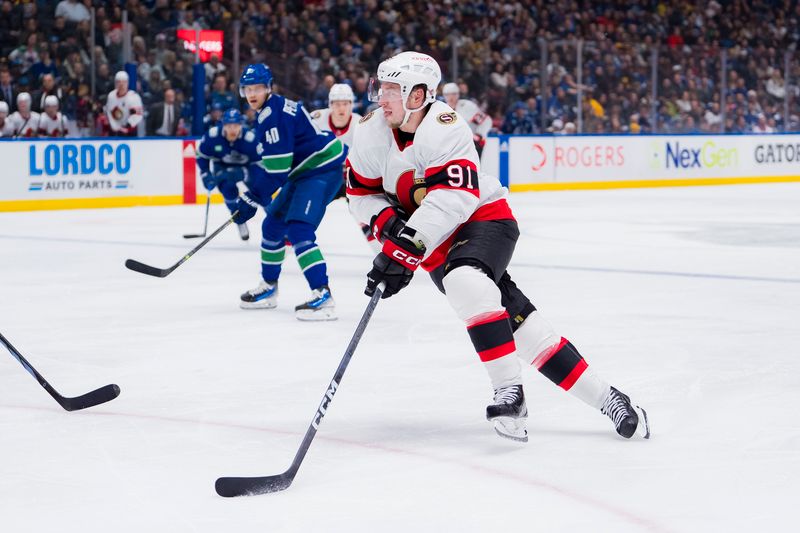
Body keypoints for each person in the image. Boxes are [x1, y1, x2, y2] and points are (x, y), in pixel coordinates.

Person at [346, 52, 650, 442]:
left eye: (391, 90)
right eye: (380, 88)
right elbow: (361, 194)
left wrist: (403, 248)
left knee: (464, 282)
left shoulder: (445, 127)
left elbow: (453, 199)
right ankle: (610, 398)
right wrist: (390, 230)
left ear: (418, 95)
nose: (380, 97)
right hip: (435, 243)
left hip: (483, 218)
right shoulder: (372, 131)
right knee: (522, 331)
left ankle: (510, 394)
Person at [234, 63, 347, 321]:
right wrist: (253, 198)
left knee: (299, 230)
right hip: (304, 171)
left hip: (322, 169)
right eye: (247, 89)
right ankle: (269, 288)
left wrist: (250, 198)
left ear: (268, 88)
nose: (252, 93)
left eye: (258, 88)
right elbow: (280, 169)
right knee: (272, 225)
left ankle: (323, 295)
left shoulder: (272, 116)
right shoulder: (269, 110)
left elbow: (277, 171)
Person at [310, 83, 377, 250]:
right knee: (306, 212)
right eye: (337, 103)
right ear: (330, 105)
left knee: (363, 215)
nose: (341, 108)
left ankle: (382, 253)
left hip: (351, 177)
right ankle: (285, 251)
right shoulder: (316, 119)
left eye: (346, 103)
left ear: (351, 105)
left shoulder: (361, 124)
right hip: (323, 175)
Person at [196, 108, 259, 241]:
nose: (232, 129)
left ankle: (277, 220)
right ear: (222, 125)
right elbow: (201, 156)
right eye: (228, 125)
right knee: (228, 188)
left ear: (241, 125)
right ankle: (239, 219)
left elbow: (259, 163)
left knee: (260, 192)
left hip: (246, 167)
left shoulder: (250, 138)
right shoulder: (212, 135)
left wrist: (250, 178)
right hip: (222, 167)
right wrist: (205, 173)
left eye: (235, 126)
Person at [441, 82, 492, 157]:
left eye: (453, 94)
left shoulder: (467, 107)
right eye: (447, 94)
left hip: (471, 145)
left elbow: (486, 121)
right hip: (452, 148)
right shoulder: (441, 109)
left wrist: (479, 135)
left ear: (458, 94)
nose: (451, 97)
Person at [105, 71, 143, 137]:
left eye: (124, 82)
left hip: (129, 132)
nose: (121, 84)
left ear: (127, 83)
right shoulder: (111, 96)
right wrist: (114, 127)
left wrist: (127, 126)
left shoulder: (133, 96)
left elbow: (137, 115)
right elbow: (109, 112)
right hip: (114, 131)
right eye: (118, 82)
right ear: (115, 83)